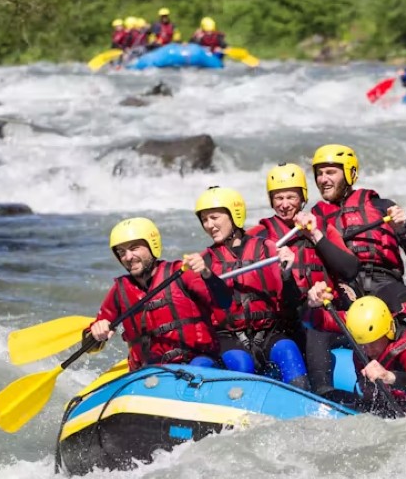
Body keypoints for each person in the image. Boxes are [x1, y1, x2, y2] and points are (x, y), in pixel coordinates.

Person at [249, 163, 361, 392]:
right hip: (285, 322)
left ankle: (324, 392)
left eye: (291, 197)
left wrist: (315, 236)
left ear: (302, 198)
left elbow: (350, 268)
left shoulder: (321, 228)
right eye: (278, 198)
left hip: (326, 316)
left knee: (316, 326)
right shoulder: (259, 236)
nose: (284, 204)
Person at [183, 186, 309, 388]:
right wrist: (206, 274)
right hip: (229, 338)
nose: (209, 225)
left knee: (288, 350)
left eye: (214, 217)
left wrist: (287, 276)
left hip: (269, 332)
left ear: (234, 215)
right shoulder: (203, 261)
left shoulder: (266, 249)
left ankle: (305, 411)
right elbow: (220, 302)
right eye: (204, 220)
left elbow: (292, 302)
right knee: (241, 363)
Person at [87, 217, 231, 371]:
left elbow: (225, 302)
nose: (128, 257)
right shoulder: (119, 290)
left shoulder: (182, 273)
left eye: (134, 248)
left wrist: (207, 273)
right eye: (122, 252)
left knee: (202, 366)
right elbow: (91, 347)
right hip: (149, 374)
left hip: (196, 365)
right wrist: (96, 333)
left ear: (152, 245)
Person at [311, 143, 406, 308]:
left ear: (349, 173)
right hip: (343, 288)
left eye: (330, 172)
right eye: (319, 174)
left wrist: (401, 229)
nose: (323, 179)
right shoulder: (315, 220)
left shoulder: (381, 206)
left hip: (383, 282)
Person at [307, 290, 406, 414]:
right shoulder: (358, 325)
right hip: (382, 404)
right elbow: (316, 320)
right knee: (327, 397)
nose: (367, 349)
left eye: (372, 343)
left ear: (388, 332)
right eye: (362, 344)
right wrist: (312, 305)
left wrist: (389, 376)